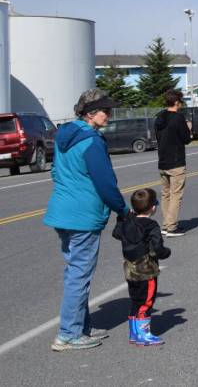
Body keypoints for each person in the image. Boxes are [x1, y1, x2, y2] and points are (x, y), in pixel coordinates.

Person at [44, 88, 128, 351]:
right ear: (91, 113)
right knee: (79, 275)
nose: (109, 115)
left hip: (62, 211)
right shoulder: (92, 141)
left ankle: (81, 326)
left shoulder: (64, 135)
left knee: (75, 271)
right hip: (83, 216)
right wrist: (123, 210)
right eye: (106, 111)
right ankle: (68, 334)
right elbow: (106, 183)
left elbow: (56, 171)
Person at [113, 188, 171, 346]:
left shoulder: (127, 222)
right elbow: (158, 248)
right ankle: (144, 334)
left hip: (130, 270)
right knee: (146, 301)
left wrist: (122, 218)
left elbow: (117, 234)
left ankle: (134, 333)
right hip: (147, 270)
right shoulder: (151, 226)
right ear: (153, 207)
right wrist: (166, 253)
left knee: (135, 300)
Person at [154, 89, 191, 237]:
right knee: (176, 195)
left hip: (162, 161)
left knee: (166, 195)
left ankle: (166, 224)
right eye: (181, 101)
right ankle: (172, 227)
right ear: (176, 102)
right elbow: (186, 139)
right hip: (176, 161)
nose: (181, 104)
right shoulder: (178, 118)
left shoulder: (159, 117)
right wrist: (188, 128)